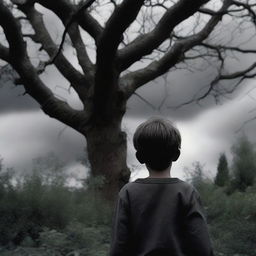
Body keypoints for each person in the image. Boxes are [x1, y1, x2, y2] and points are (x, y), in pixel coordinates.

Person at [109, 117, 214, 256]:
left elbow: (118, 248)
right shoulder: (187, 192)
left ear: (140, 157)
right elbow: (203, 249)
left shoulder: (128, 192)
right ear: (176, 155)